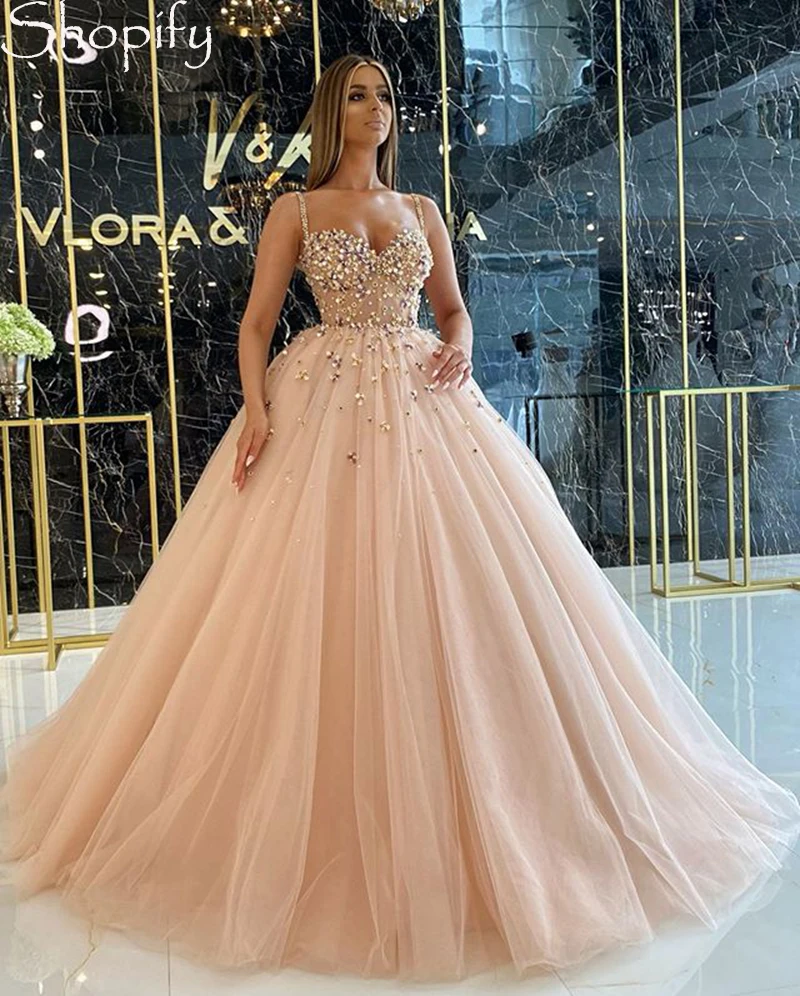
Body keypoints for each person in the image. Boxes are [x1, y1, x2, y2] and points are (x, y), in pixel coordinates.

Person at [0, 52, 798, 985]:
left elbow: (455, 312)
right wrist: (256, 410)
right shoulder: (296, 212)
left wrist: (459, 347)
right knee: (311, 594)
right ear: (331, 111)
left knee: (465, 596)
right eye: (357, 95)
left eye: (383, 95)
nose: (375, 108)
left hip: (427, 404)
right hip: (322, 402)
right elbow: (255, 324)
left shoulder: (422, 210)